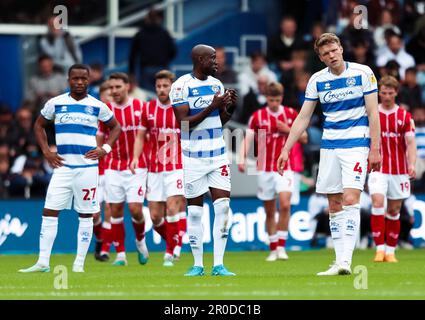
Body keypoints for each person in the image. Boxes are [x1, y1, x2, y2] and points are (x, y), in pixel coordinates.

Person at [277, 33, 381, 276]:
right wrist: (286, 148)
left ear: (341, 49)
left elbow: (373, 113)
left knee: (351, 199)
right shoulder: (317, 80)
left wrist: (375, 148)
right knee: (333, 203)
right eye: (325, 53)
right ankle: (338, 261)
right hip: (330, 147)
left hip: (356, 145)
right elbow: (303, 117)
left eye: (334, 50)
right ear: (321, 58)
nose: (331, 55)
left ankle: (346, 261)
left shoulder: (363, 73)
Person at [18, 64, 121, 273]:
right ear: (68, 79)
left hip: (88, 168)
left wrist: (106, 148)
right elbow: (38, 125)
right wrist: (46, 151)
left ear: (89, 80)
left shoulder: (97, 105)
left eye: (84, 78)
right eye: (75, 78)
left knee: (86, 215)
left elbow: (116, 127)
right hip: (63, 168)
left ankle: (79, 264)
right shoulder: (55, 103)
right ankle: (43, 262)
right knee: (49, 211)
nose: (80, 82)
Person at [170, 44, 237, 276]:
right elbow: (184, 123)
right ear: (200, 59)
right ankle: (198, 264)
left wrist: (229, 109)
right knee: (196, 212)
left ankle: (218, 264)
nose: (217, 63)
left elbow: (219, 121)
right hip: (192, 158)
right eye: (212, 58)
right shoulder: (180, 86)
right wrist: (212, 106)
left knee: (223, 208)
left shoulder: (216, 84)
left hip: (217, 155)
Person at [238, 82, 307, 261]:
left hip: (286, 167)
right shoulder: (257, 117)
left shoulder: (291, 114)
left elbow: (305, 138)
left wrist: (288, 130)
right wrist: (241, 157)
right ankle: (273, 248)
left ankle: (282, 247)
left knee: (284, 204)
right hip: (264, 168)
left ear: (281, 98)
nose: (274, 103)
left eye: (277, 100)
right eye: (271, 100)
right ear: (266, 98)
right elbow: (248, 138)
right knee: (269, 210)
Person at [131, 70, 186, 267]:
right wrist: (136, 158)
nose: (162, 90)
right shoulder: (148, 109)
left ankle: (169, 253)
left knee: (172, 207)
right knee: (155, 217)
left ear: (172, 87)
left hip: (176, 166)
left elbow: (189, 137)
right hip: (154, 169)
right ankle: (176, 240)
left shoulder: (181, 109)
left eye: (165, 86)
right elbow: (140, 136)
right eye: (159, 86)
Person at [98, 72, 149, 266]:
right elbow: (100, 136)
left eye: (118, 87)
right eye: (111, 87)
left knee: (136, 209)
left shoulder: (140, 107)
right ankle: (120, 254)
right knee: (115, 209)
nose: (114, 91)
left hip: (137, 166)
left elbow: (148, 137)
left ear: (127, 87)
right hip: (113, 166)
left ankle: (140, 240)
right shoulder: (106, 110)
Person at [368, 75, 416, 263]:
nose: (386, 96)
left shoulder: (404, 116)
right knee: (378, 202)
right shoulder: (372, 114)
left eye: (390, 93)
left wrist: (411, 164)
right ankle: (379, 249)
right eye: (383, 92)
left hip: (399, 170)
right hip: (378, 169)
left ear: (396, 92)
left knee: (394, 211)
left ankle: (390, 251)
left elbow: (410, 144)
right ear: (379, 92)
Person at [129, 8, 176, 92]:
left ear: (147, 18)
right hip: (162, 67)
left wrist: (132, 73)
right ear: (159, 19)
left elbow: (133, 55)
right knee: (164, 95)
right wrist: (165, 60)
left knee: (147, 97)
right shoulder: (164, 33)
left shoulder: (140, 34)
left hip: (146, 69)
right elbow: (173, 51)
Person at [93, 81, 113, 261]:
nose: (111, 97)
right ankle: (100, 239)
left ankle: (104, 249)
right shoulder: (92, 116)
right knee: (93, 213)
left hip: (113, 169)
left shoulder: (118, 117)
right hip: (95, 170)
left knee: (109, 208)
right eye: (107, 94)